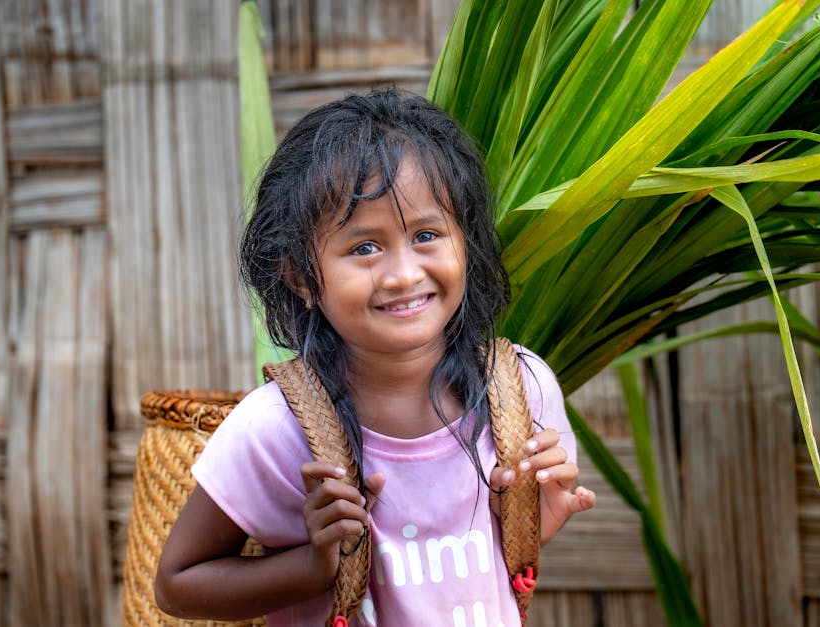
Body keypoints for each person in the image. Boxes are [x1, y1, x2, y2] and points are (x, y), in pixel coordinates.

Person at [154, 88, 596, 626]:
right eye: (364, 247)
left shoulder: (522, 390)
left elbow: (481, 563)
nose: (404, 274)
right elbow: (177, 584)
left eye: (427, 234)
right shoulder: (276, 430)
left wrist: (534, 519)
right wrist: (314, 567)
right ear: (299, 277)